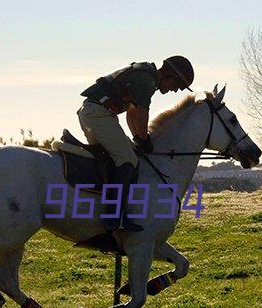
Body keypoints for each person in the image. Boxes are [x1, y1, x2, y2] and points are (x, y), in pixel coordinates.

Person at [78, 55, 194, 232]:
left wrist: (138, 138)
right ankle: (114, 218)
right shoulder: (146, 82)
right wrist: (144, 139)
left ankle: (103, 210)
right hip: (98, 115)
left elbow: (131, 113)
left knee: (118, 159)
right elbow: (141, 114)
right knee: (127, 160)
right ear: (169, 75)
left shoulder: (146, 77)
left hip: (95, 113)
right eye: (176, 86)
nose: (174, 90)